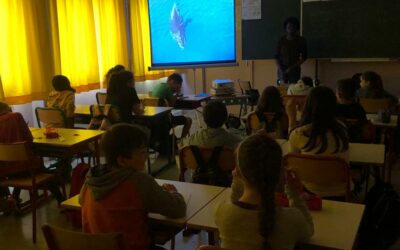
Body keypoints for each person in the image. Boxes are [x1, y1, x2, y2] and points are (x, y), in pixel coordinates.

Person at [80, 123, 186, 250]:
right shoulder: (138, 181)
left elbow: (81, 201)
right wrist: (174, 193)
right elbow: (177, 209)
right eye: (142, 153)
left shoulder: (92, 178)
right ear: (122, 161)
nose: (146, 156)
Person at [215, 134, 313, 250]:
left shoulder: (222, 213)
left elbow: (236, 205)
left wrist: (236, 184)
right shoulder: (291, 219)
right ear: (279, 175)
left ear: (238, 173)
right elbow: (308, 232)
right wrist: (294, 193)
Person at [286, 86, 349, 197]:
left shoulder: (299, 135)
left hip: (309, 192)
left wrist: (291, 118)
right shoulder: (342, 130)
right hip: (341, 192)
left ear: (308, 106)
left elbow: (292, 161)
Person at [0, 102, 65, 207]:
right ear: (6, 108)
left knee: (20, 170)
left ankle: (14, 198)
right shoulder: (16, 116)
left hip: (7, 172)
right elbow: (29, 139)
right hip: (26, 167)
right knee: (47, 174)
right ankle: (61, 201)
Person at [152, 73, 192, 138]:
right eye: (177, 86)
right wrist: (177, 92)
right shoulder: (168, 88)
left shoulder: (159, 85)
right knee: (189, 120)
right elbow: (171, 106)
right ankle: (182, 141)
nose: (176, 88)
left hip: (154, 119)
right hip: (165, 120)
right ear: (172, 81)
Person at [275, 17, 307, 84]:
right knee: (282, 90)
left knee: (293, 90)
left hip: (294, 71)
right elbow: (276, 56)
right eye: (289, 26)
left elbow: (304, 57)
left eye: (293, 26)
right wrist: (280, 68)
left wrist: (292, 68)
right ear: (286, 27)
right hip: (282, 70)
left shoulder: (301, 40)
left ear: (296, 28)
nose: (290, 28)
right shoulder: (281, 40)